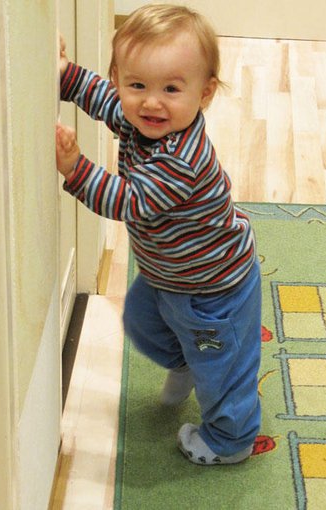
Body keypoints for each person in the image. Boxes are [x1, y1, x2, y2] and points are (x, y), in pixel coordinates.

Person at [56, 3, 262, 466]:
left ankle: (231, 441)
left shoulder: (181, 159)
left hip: (215, 290)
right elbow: (105, 100)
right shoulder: (141, 118)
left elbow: (129, 201)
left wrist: (75, 168)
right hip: (169, 274)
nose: (151, 102)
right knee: (141, 322)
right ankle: (186, 361)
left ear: (204, 93)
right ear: (119, 80)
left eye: (171, 88)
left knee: (224, 370)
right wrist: (65, 74)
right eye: (137, 86)